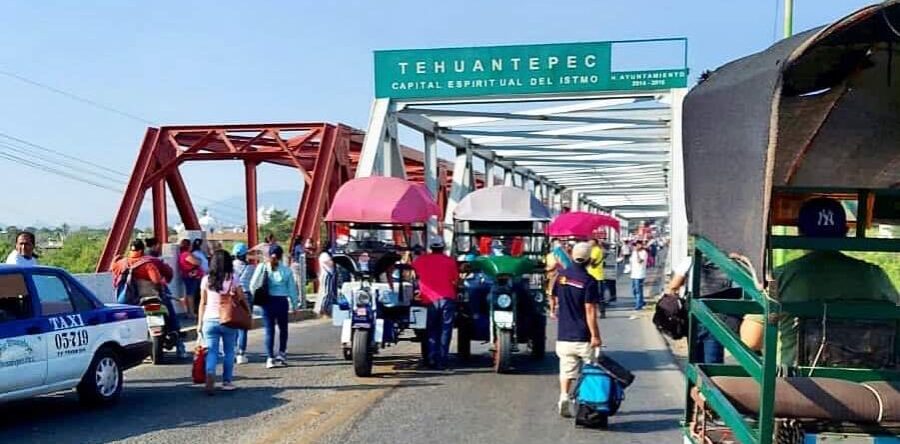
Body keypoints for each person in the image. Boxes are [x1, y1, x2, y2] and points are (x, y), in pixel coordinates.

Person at [740, 197, 899, 367]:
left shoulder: (781, 277)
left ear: (800, 232)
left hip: (801, 382)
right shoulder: (874, 275)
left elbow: (751, 340)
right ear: (845, 232)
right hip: (868, 381)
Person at [550, 242, 602, 418]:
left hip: (564, 334)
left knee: (566, 370)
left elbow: (554, 297)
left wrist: (553, 309)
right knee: (590, 370)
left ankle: (564, 396)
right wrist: (595, 335)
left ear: (572, 256)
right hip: (583, 336)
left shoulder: (561, 276)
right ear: (588, 259)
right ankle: (585, 402)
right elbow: (590, 310)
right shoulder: (589, 281)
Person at [665, 256, 740, 364]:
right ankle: (712, 378)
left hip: (695, 315)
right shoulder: (728, 262)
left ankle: (697, 378)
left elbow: (673, 286)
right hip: (718, 316)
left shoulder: (690, 260)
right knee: (713, 362)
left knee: (695, 359)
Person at [198, 250, 244, 394]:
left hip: (209, 320)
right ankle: (227, 382)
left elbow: (202, 302)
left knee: (211, 351)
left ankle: (210, 372)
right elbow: (241, 297)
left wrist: (199, 323)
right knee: (229, 351)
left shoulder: (206, 280)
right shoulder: (233, 278)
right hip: (228, 319)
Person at [249, 245, 299, 369]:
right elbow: (292, 289)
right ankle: (282, 354)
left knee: (269, 331)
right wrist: (295, 305)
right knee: (283, 329)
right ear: (281, 256)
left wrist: (258, 295)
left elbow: (252, 285)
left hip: (267, 301)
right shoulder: (286, 270)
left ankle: (270, 358)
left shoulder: (262, 267)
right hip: (282, 301)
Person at [411, 241, 459, 370]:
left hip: (428, 299)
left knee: (430, 330)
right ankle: (442, 360)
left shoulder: (421, 260)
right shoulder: (450, 261)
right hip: (447, 297)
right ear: (443, 248)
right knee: (445, 330)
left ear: (431, 248)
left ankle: (431, 358)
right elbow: (455, 279)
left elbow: (412, 273)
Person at [144, 237, 187, 359]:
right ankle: (180, 347)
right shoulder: (155, 261)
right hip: (158, 294)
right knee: (172, 318)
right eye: (158, 246)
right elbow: (169, 274)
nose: (159, 248)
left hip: (140, 297)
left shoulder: (135, 260)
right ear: (154, 246)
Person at [111, 239, 166, 305]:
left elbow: (113, 270)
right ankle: (171, 315)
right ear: (141, 250)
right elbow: (156, 281)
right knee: (165, 305)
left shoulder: (120, 263)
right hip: (147, 298)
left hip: (127, 300)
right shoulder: (148, 265)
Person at [232, 243, 257, 364]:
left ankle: (231, 350)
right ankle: (241, 353)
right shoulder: (251, 268)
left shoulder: (230, 267)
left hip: (233, 296)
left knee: (233, 325)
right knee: (243, 326)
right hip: (246, 295)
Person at [178, 239, 203, 318]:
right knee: (190, 295)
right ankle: (191, 313)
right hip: (191, 277)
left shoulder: (183, 254)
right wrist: (198, 260)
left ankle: (189, 312)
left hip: (190, 277)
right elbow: (196, 262)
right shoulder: (186, 254)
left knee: (189, 294)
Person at [314, 246, 336, 316]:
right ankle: (321, 309)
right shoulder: (324, 255)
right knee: (326, 293)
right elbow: (330, 263)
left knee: (329, 293)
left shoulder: (325, 255)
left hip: (329, 275)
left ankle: (324, 310)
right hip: (326, 275)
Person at [629, 241, 649, 310]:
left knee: (638, 290)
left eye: (638, 245)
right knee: (634, 290)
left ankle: (638, 305)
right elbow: (631, 261)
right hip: (633, 274)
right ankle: (641, 301)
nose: (637, 247)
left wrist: (637, 252)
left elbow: (639, 261)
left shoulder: (644, 253)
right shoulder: (633, 252)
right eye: (636, 245)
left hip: (640, 274)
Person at [291, 235, 307, 309]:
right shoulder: (299, 246)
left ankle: (296, 299)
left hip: (293, 265)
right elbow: (303, 253)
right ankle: (302, 300)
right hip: (298, 265)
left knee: (296, 283)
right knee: (300, 283)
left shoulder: (294, 247)